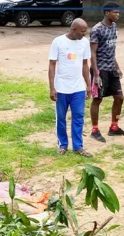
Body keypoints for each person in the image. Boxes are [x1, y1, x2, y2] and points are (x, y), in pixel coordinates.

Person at [49, 18, 92, 158]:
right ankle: (63, 145)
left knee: (78, 117)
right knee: (61, 118)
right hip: (61, 88)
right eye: (82, 31)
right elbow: (52, 65)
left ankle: (78, 147)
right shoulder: (58, 42)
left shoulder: (84, 43)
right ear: (73, 29)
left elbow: (85, 65)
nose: (84, 34)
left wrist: (88, 85)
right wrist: (52, 88)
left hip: (78, 88)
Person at [89, 2, 124, 143]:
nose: (118, 15)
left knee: (119, 97)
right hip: (100, 69)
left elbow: (111, 50)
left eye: (118, 12)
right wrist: (96, 74)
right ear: (107, 13)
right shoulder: (97, 30)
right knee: (97, 99)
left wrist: (117, 66)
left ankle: (114, 127)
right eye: (115, 12)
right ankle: (95, 130)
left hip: (112, 69)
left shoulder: (114, 27)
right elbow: (92, 53)